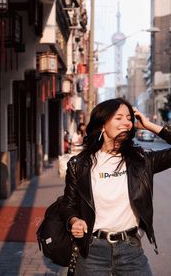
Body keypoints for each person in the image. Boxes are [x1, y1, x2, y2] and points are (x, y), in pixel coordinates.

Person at [60, 97, 171, 276]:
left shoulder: (141, 161)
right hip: (92, 251)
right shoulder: (80, 164)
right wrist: (74, 220)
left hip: (131, 251)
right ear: (103, 124)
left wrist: (150, 125)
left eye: (129, 118)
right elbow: (68, 204)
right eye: (119, 117)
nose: (126, 122)